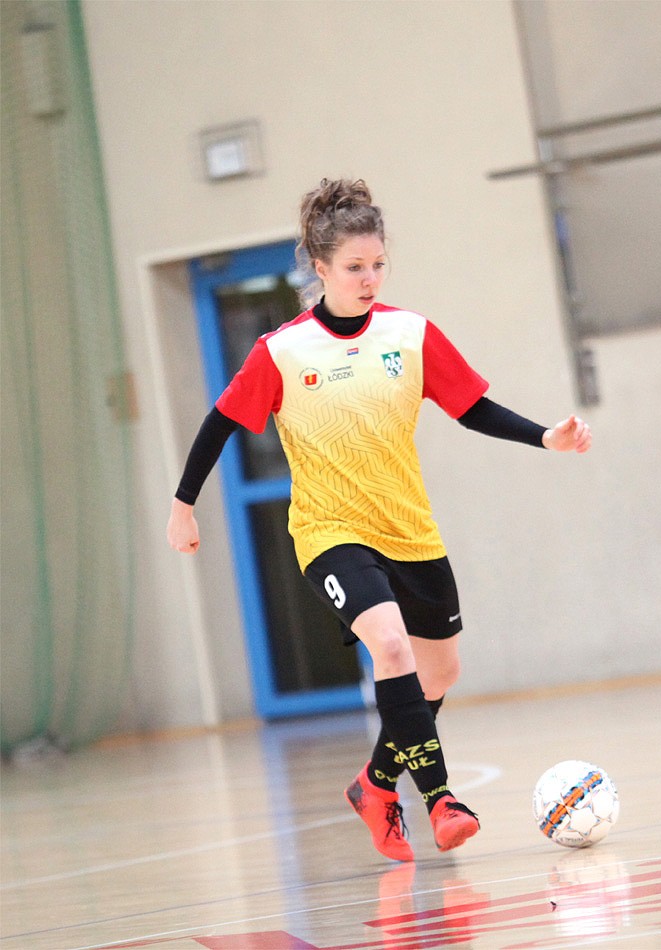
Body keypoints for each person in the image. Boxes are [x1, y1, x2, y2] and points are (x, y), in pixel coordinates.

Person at [167, 178, 592, 863]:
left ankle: (373, 784)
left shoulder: (409, 333)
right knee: (391, 649)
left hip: (410, 530)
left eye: (378, 265)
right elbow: (220, 422)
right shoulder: (282, 351)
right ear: (320, 267)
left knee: (439, 676)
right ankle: (442, 801)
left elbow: (471, 407)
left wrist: (546, 436)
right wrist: (182, 506)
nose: (369, 279)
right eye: (354, 267)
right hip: (330, 531)